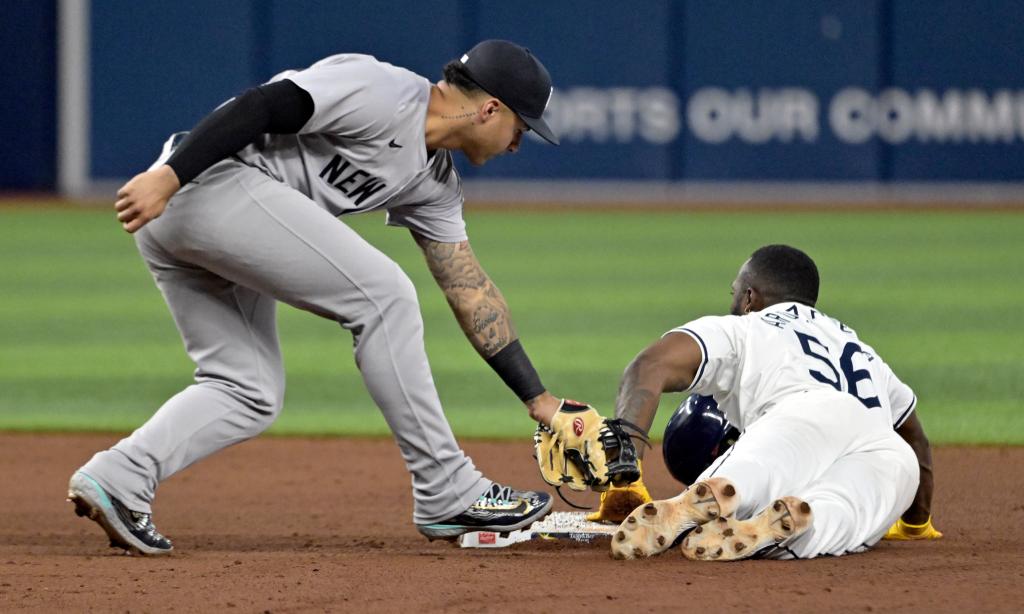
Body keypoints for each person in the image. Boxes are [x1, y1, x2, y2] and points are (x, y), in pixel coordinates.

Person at [67, 40, 568, 555]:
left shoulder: (434, 182)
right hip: (197, 185)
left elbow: (469, 291)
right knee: (385, 297)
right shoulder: (383, 91)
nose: (517, 144)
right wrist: (170, 178)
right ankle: (448, 489)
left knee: (247, 389)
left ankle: (120, 477)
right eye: (521, 128)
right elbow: (262, 104)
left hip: (199, 214)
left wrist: (540, 399)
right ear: (490, 109)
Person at [607, 244, 940, 560]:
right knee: (835, 519)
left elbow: (649, 366)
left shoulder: (746, 328)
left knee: (749, 478)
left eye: (735, 291)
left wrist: (626, 469)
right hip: (886, 449)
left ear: (750, 297)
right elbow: (915, 441)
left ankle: (705, 499)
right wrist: (916, 524)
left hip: (801, 415)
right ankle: (790, 522)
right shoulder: (860, 348)